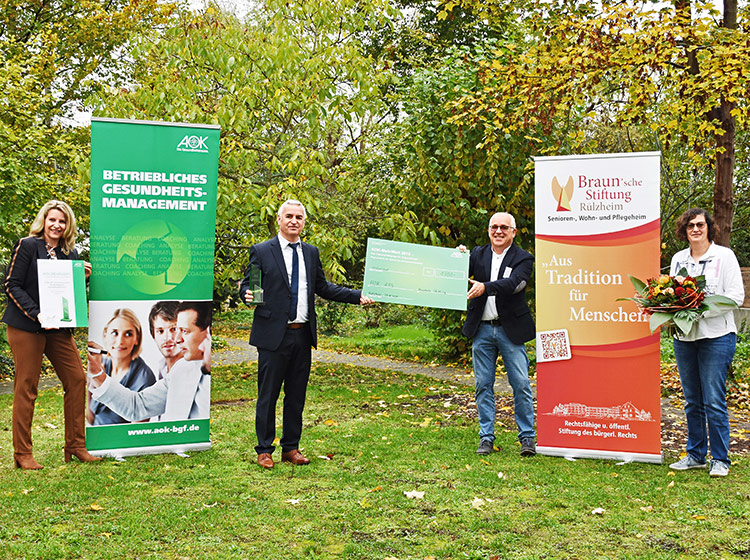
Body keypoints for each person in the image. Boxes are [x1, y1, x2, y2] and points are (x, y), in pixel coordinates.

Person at [240, 199, 373, 469]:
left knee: (296, 395)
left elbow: (324, 288)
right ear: (278, 219)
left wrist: (357, 296)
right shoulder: (262, 251)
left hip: (302, 336)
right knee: (268, 395)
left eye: (299, 217)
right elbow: (248, 286)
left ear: (304, 222)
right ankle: (264, 449)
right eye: (288, 216)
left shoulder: (310, 252)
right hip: (272, 336)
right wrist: (246, 294)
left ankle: (291, 448)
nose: (293, 221)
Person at [2, 200, 100, 468]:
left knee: (77, 379)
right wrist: (36, 313)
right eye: (52, 220)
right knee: (27, 387)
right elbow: (11, 285)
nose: (57, 225)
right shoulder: (27, 246)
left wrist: (84, 278)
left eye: (62, 221)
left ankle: (76, 446)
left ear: (68, 225)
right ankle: (23, 454)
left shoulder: (71, 253)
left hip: (58, 329)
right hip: (27, 326)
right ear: (43, 221)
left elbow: (68, 293)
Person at [668, 208, 744, 477]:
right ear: (684, 230)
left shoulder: (724, 256)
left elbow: (736, 296)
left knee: (713, 399)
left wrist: (701, 310)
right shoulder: (678, 259)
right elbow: (672, 294)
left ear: (709, 227)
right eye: (690, 226)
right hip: (685, 337)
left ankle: (720, 459)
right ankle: (696, 455)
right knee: (692, 400)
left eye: (700, 224)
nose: (695, 229)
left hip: (717, 336)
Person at [462, 212, 536, 457]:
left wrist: (485, 287)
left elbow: (515, 284)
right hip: (481, 329)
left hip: (510, 330)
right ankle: (486, 437)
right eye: (494, 227)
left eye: (504, 227)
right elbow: (455, 275)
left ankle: (527, 437)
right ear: (488, 230)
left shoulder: (523, 258)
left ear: (513, 232)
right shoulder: (477, 255)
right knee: (483, 385)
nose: (499, 231)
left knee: (521, 384)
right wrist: (457, 257)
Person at [87, 301, 211, 422]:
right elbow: (137, 407)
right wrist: (96, 373)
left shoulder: (144, 375)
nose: (175, 339)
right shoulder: (182, 369)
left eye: (184, 331)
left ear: (208, 332)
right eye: (160, 331)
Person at [87, 308, 156, 425]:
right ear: (105, 335)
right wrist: (91, 378)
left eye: (128, 334)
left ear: (136, 339)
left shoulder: (145, 378)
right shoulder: (100, 364)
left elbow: (137, 431)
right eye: (114, 333)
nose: (120, 341)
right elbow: (90, 417)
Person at [148, 301, 184, 380]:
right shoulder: (162, 367)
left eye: (174, 329)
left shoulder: (194, 368)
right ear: (153, 335)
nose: (167, 338)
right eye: (160, 331)